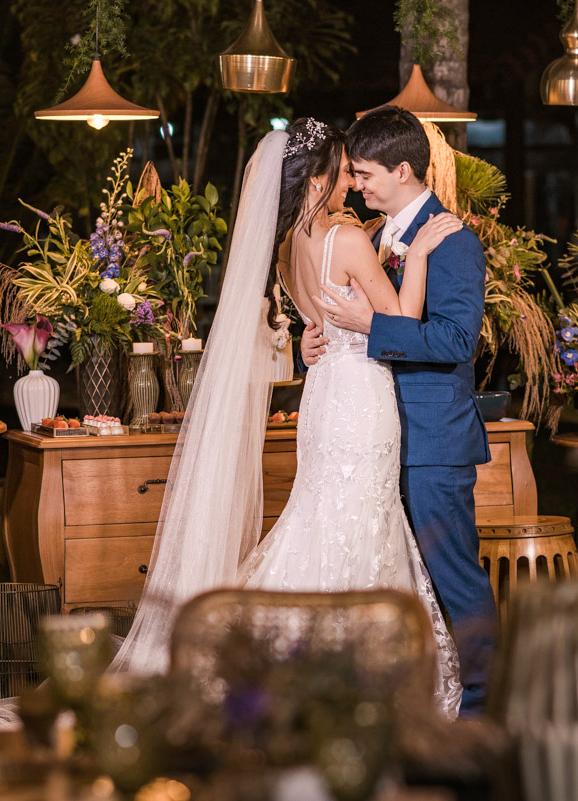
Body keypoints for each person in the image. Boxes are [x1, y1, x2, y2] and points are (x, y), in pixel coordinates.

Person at [113, 117, 466, 719]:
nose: (350, 185)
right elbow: (402, 324)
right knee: (359, 521)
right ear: (317, 179)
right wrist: (424, 254)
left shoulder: (283, 249)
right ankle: (352, 681)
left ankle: (287, 666)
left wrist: (313, 333)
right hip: (360, 396)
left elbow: (310, 324)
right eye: (342, 173)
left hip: (324, 394)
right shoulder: (348, 239)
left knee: (322, 515)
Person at [302, 105, 497, 716]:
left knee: (453, 579)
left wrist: (375, 325)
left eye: (364, 174)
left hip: (433, 441)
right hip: (379, 435)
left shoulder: (452, 240)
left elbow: (457, 341)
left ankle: (485, 708)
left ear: (403, 169)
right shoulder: (380, 236)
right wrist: (316, 341)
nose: (356, 186)